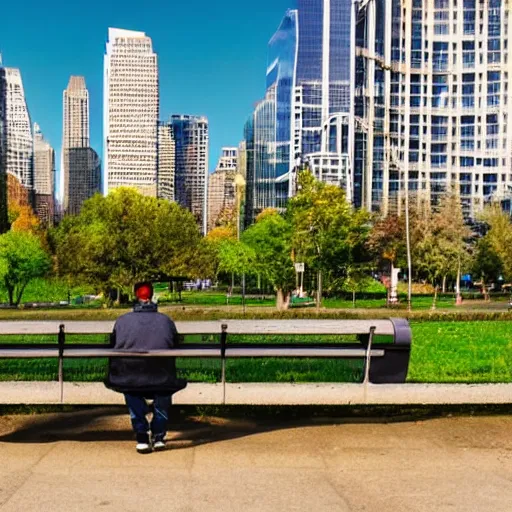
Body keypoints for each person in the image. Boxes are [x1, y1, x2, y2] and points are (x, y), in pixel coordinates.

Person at [105, 281, 187, 454]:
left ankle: (142, 434)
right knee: (163, 391)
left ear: (136, 296)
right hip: (161, 375)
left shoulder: (122, 321)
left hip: (130, 375)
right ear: (152, 296)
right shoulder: (165, 321)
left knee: (131, 390)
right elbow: (176, 343)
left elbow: (113, 344)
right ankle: (159, 435)